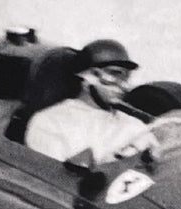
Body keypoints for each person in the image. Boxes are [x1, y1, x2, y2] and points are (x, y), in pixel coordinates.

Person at [24, 38, 155, 165]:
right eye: (114, 74)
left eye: (126, 77)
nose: (124, 86)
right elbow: (52, 179)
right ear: (87, 77)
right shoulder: (50, 122)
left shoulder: (134, 125)